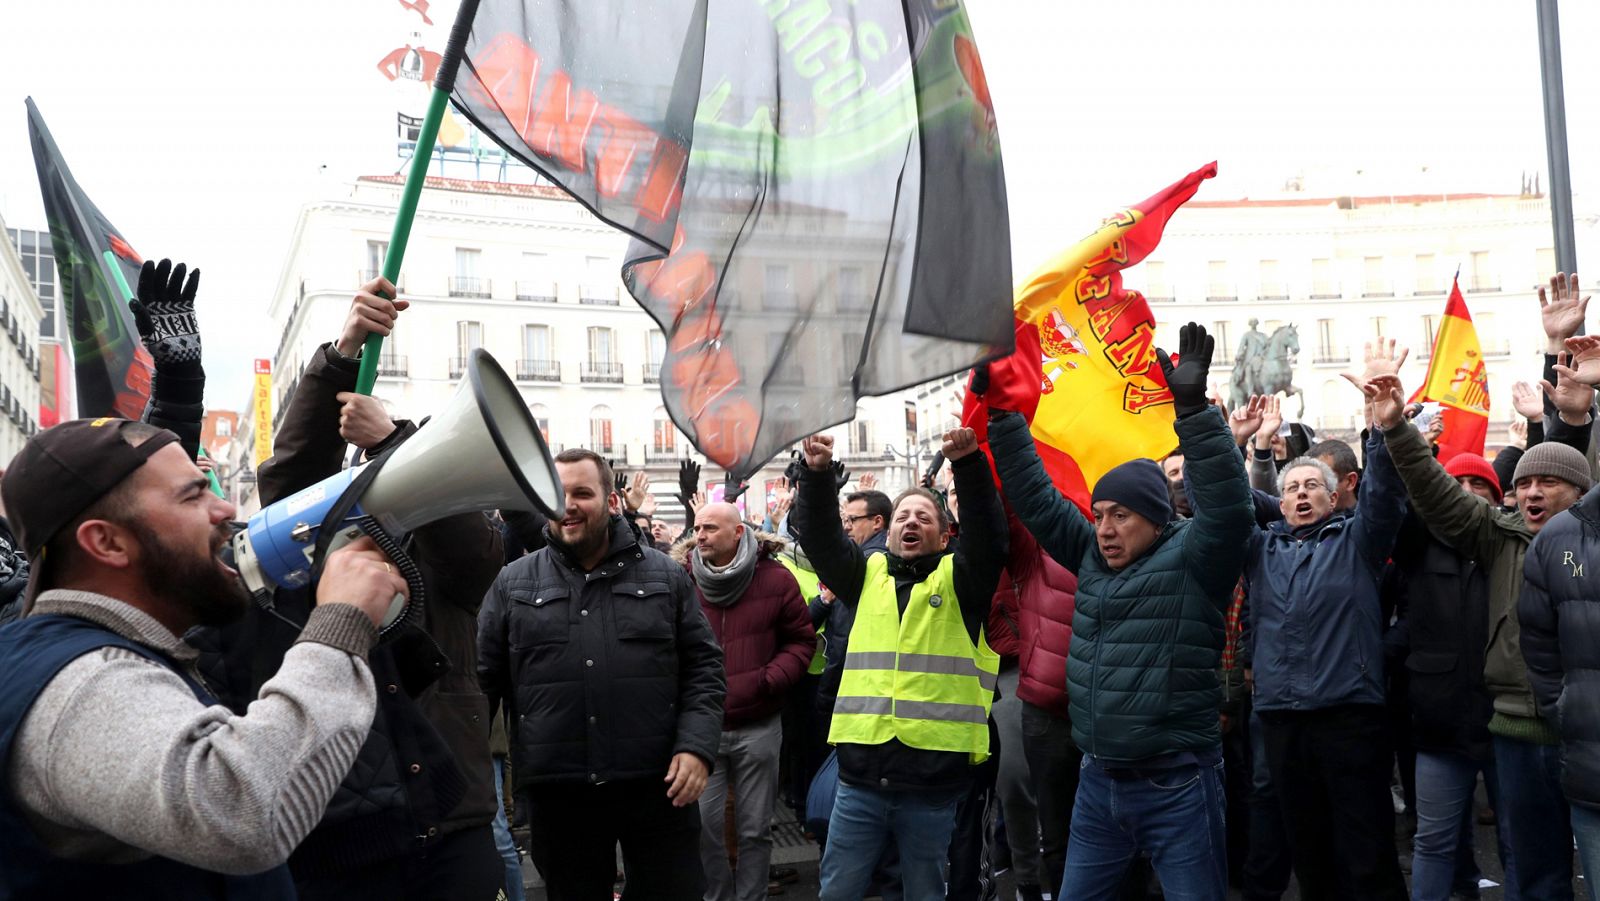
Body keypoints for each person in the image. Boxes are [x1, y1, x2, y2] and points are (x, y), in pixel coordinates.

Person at [190, 278, 508, 899]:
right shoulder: (312, 551)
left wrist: (396, 442)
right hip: (350, 819)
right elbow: (289, 479)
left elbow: (473, 555)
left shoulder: (449, 551)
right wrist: (343, 352)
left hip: (454, 815)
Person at [0, 417, 402, 897]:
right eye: (193, 496)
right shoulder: (78, 684)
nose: (226, 507)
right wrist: (341, 623)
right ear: (106, 542)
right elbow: (240, 809)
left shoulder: (89, 656)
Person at [988, 322, 1253, 899]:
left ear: (1158, 518)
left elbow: (1232, 511)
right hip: (1098, 780)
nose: (1104, 528)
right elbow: (1033, 495)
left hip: (1179, 782)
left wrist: (1193, 410)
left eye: (1121, 516)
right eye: (1100, 513)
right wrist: (1004, 414)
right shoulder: (1088, 552)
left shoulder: (1194, 557)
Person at [1372, 319, 1595, 900]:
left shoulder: (1593, 537)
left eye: (1550, 482)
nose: (1533, 493)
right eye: (1524, 484)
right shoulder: (1497, 534)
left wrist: (1579, 414)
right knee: (1536, 869)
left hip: (1585, 730)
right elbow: (1436, 493)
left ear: (1582, 492)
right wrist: (1397, 430)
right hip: (1516, 729)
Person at [478, 448, 725, 901]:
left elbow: (704, 667)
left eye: (582, 493)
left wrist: (696, 747)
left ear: (612, 503)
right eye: (556, 494)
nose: (567, 504)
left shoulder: (667, 576)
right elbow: (482, 681)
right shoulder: (513, 583)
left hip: (659, 787)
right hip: (561, 794)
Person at [791, 426, 1006, 901]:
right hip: (860, 779)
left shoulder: (963, 580)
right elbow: (824, 540)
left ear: (945, 534)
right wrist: (818, 475)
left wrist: (969, 466)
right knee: (838, 890)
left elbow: (989, 536)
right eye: (903, 516)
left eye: (924, 517)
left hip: (931, 785)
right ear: (887, 531)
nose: (911, 522)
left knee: (925, 892)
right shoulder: (863, 574)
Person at [1240, 342, 1410, 901]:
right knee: (1310, 856)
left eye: (1312, 484)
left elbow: (1385, 497)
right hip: (1283, 724)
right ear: (1280, 505)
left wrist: (1380, 428)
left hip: (1350, 719)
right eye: (1291, 489)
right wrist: (1242, 443)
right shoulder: (1261, 550)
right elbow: (1218, 505)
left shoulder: (1358, 542)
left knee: (1366, 855)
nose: (1301, 493)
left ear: (1336, 496)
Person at [680, 502, 816, 901]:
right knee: (704, 826)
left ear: (738, 533)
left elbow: (801, 640)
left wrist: (769, 680)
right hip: (702, 728)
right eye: (697, 527)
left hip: (759, 723)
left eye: (710, 528)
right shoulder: (682, 579)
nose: (699, 535)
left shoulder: (775, 578)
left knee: (755, 828)